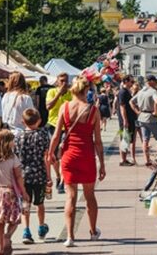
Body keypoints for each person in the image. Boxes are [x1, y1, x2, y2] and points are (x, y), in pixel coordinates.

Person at [48, 76, 105, 247]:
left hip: (69, 157)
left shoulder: (64, 108)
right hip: (86, 156)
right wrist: (102, 163)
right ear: (86, 90)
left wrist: (50, 153)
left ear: (73, 90)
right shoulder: (93, 111)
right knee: (89, 196)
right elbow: (98, 141)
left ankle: (70, 237)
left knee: (70, 197)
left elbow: (57, 135)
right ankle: (93, 231)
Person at [15, 108, 51, 245]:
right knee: (40, 203)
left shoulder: (18, 137)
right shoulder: (42, 135)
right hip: (39, 174)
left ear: (22, 121)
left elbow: (16, 157)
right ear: (40, 121)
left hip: (23, 176)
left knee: (25, 204)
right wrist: (49, 176)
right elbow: (45, 157)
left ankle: (26, 230)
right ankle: (41, 226)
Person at [45, 72, 71, 194]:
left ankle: (62, 182)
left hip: (66, 128)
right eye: (61, 80)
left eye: (65, 80)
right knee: (54, 156)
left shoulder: (71, 94)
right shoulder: (52, 92)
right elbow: (48, 106)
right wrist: (59, 94)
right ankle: (58, 176)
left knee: (64, 154)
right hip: (53, 125)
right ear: (57, 81)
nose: (64, 83)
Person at [130, 75, 157, 166]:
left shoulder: (141, 91)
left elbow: (131, 101)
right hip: (151, 117)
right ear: (151, 81)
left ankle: (147, 160)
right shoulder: (153, 91)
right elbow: (156, 101)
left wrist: (137, 111)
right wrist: (156, 112)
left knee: (145, 140)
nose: (156, 83)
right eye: (155, 81)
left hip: (141, 117)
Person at [117, 76, 137, 166]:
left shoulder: (126, 91)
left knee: (127, 139)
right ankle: (122, 160)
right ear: (126, 81)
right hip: (126, 119)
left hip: (129, 118)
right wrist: (125, 120)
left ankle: (124, 159)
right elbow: (122, 106)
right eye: (131, 81)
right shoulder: (122, 92)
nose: (132, 83)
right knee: (124, 138)